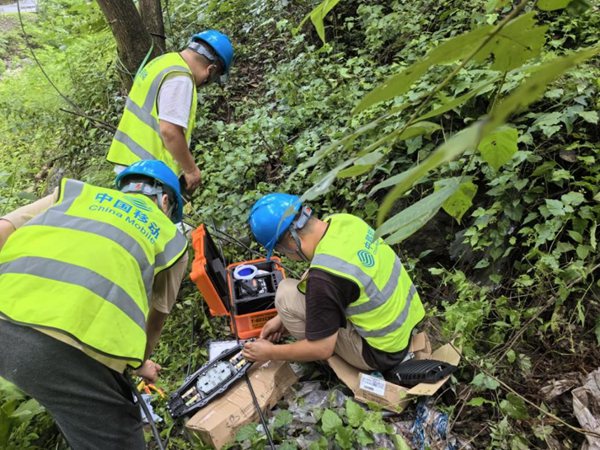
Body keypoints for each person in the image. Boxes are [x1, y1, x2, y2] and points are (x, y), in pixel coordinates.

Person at [0, 160, 189, 449]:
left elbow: (4, 227)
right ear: (166, 201)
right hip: (67, 352)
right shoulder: (171, 239)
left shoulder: (74, 193)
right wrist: (137, 364)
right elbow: (157, 316)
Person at [242, 193, 425, 373]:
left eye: (280, 250)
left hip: (380, 353)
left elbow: (322, 348)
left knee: (285, 293)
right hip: (403, 326)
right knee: (311, 278)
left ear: (291, 240)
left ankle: (329, 362)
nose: (285, 255)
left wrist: (271, 352)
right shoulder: (344, 221)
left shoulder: (324, 278)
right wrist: (280, 319)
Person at [107, 30, 234, 195]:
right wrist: (191, 170)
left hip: (131, 167)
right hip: (148, 175)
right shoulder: (180, 79)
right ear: (210, 70)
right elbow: (170, 131)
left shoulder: (163, 62)